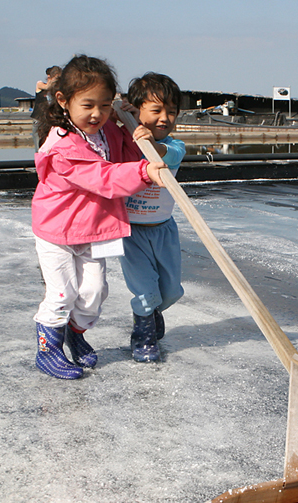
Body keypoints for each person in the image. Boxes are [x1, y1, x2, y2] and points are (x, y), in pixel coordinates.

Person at [32, 55, 166, 379]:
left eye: (105, 105)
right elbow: (104, 177)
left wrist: (139, 132)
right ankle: (48, 349)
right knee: (62, 293)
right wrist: (144, 172)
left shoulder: (106, 131)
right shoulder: (62, 145)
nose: (97, 114)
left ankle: (75, 336)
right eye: (88, 105)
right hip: (58, 232)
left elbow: (125, 157)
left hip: (94, 228)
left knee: (94, 293)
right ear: (64, 101)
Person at [120, 73, 185, 362]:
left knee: (170, 291)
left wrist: (151, 144)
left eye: (171, 111)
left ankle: (154, 309)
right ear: (139, 111)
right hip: (132, 232)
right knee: (145, 290)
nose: (165, 118)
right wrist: (124, 117)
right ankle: (143, 334)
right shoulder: (125, 145)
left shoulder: (175, 147)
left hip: (164, 230)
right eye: (156, 110)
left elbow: (166, 155)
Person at [31, 66, 62, 151]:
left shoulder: (55, 90)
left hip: (49, 120)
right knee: (39, 146)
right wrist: (53, 80)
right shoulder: (40, 84)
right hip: (38, 119)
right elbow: (48, 86)